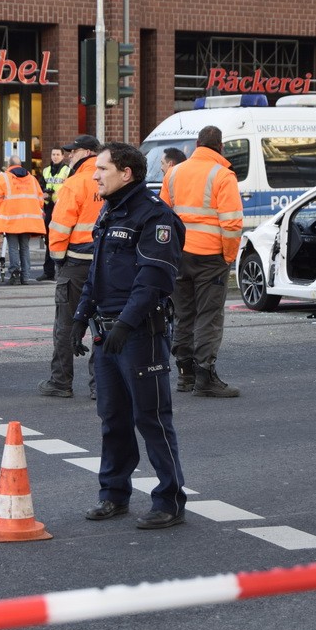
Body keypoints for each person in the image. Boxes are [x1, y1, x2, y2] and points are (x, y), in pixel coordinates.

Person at [71, 142, 187, 529]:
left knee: (151, 417)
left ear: (127, 173)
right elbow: (97, 275)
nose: (95, 174)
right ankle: (113, 494)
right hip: (107, 333)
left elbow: (152, 281)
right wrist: (79, 318)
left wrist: (124, 325)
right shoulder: (110, 211)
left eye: (102, 168)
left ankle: (169, 499)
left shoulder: (154, 217)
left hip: (140, 334)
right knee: (113, 419)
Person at [159, 125, 242, 397]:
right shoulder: (223, 175)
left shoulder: (173, 173)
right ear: (220, 146)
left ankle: (185, 374)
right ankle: (205, 375)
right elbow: (231, 224)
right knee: (208, 316)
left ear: (197, 144)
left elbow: (164, 218)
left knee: (184, 313)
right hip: (210, 257)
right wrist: (228, 255)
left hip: (179, 254)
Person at [39, 135, 102, 399]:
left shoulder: (74, 183)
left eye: (73, 152)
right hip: (105, 265)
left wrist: (57, 260)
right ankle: (101, 386)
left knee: (65, 325)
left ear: (86, 152)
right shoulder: (113, 179)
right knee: (103, 325)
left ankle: (60, 382)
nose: (69, 156)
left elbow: (59, 226)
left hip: (75, 263)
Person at [0, 156, 46, 285]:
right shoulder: (32, 179)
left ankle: (15, 275)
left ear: (9, 165)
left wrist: (5, 210)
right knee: (25, 248)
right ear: (20, 165)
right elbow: (40, 200)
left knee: (13, 247)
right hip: (28, 220)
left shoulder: (4, 178)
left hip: (11, 220)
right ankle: (26, 276)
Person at [37, 147, 70, 281]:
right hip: (49, 208)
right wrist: (44, 193)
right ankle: (48, 271)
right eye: (53, 154)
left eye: (57, 154)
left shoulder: (68, 171)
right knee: (49, 240)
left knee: (61, 238)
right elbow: (40, 187)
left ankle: (60, 270)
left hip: (62, 208)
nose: (55, 156)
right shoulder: (45, 171)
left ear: (63, 156)